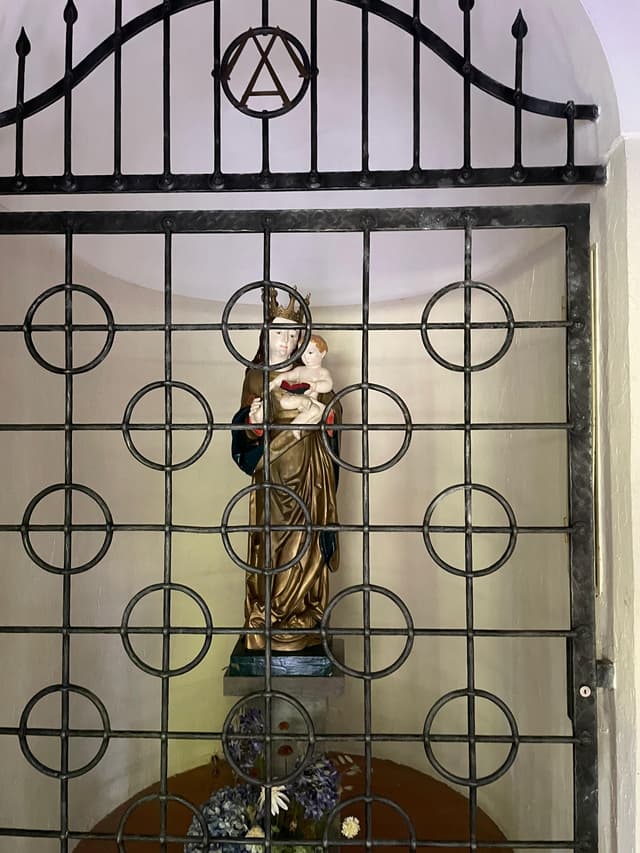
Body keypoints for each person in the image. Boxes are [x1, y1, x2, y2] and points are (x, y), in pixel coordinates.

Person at [231, 292, 341, 652]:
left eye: (293, 335)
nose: (286, 341)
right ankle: (271, 612)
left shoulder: (312, 372)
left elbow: (332, 410)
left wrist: (326, 416)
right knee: (274, 541)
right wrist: (255, 424)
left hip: (310, 470)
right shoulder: (255, 376)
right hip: (274, 473)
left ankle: (303, 610)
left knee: (306, 537)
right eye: (279, 333)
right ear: (266, 335)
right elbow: (245, 429)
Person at [268, 335, 333, 440]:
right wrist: (275, 382)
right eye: (302, 352)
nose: (306, 357)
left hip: (310, 401)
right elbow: (287, 376)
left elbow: (328, 385)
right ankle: (301, 407)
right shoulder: (300, 370)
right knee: (284, 402)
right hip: (296, 397)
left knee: (316, 411)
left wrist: (314, 386)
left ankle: (296, 426)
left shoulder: (322, 372)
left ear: (322, 353)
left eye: (310, 353)